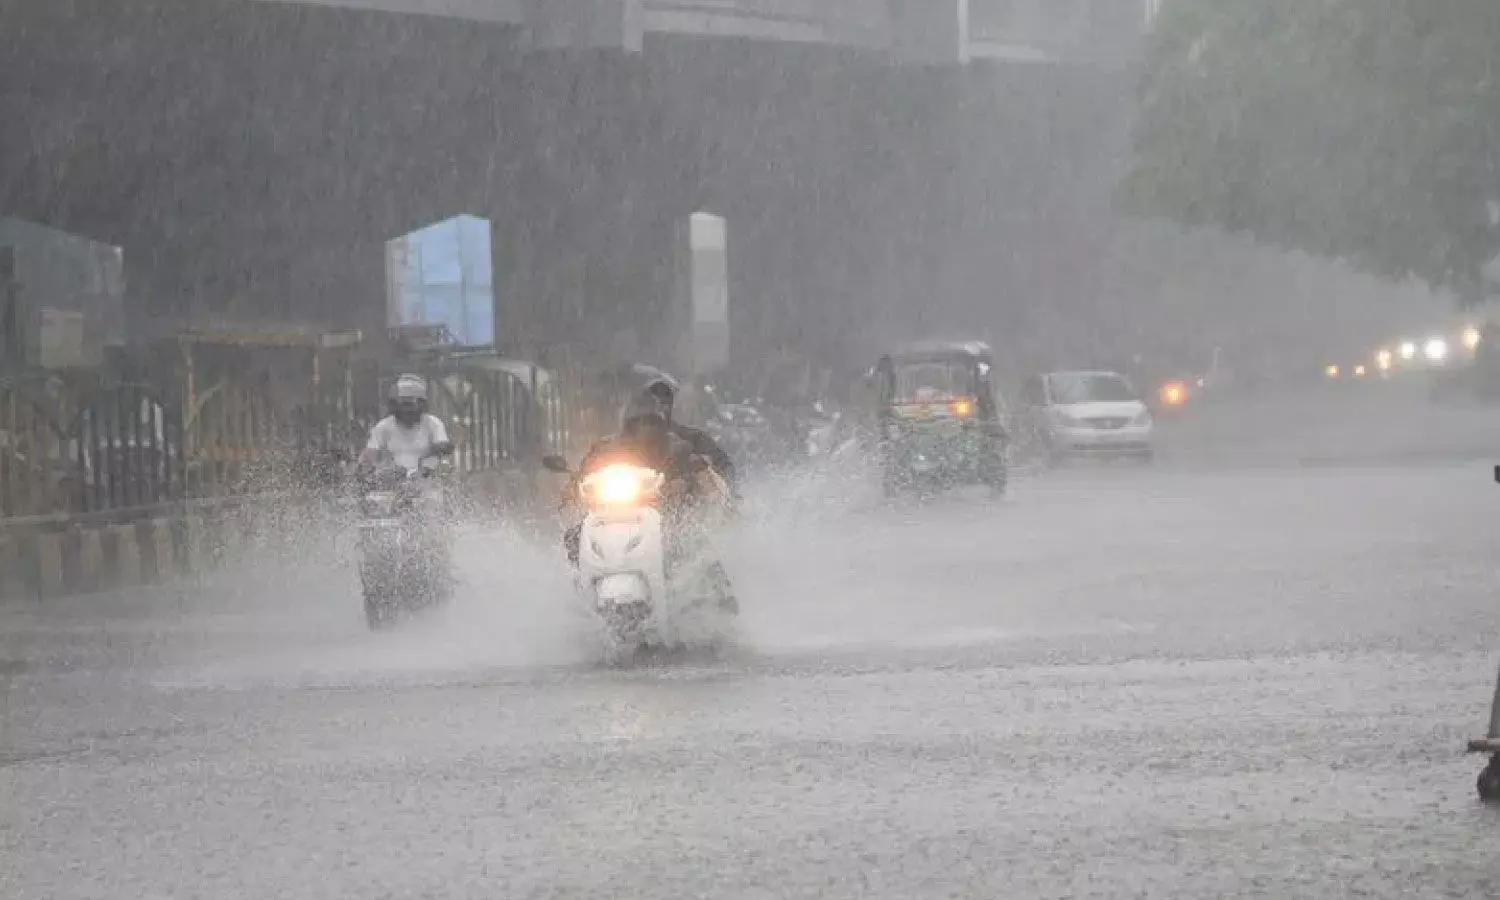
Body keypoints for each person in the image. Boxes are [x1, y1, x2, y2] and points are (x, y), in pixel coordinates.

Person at [564, 370, 739, 613]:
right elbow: (585, 473)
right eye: (639, 421)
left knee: (697, 547)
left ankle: (724, 606)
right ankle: (578, 598)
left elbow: (703, 471)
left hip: (667, 515)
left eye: (651, 421)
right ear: (630, 420)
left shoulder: (680, 444)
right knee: (574, 536)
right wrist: (575, 487)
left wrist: (689, 483)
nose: (645, 427)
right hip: (614, 515)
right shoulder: (608, 446)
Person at [357, 373, 454, 476]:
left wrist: (430, 463)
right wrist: (365, 466)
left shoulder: (433, 424)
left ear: (421, 404)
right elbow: (371, 452)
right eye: (402, 404)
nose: (405, 410)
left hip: (427, 479)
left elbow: (442, 450)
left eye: (409, 404)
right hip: (392, 480)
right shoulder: (384, 426)